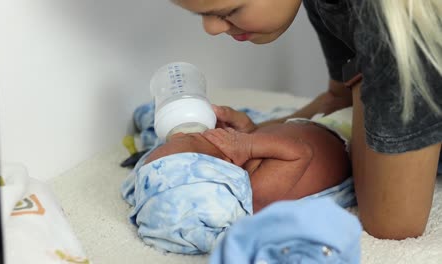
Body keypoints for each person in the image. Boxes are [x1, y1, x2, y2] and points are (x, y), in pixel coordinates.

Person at [170, 0, 442, 239]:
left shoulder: (390, 23)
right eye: (201, 15)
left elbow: (396, 223)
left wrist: (366, 72)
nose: (211, 29)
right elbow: (338, 97)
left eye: (230, 11)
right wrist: (258, 133)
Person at [145, 107, 353, 213]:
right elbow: (301, 152)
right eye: (192, 137)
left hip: (321, 122)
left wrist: (250, 131)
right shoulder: (257, 190)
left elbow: (269, 145)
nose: (183, 133)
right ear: (218, 166)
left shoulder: (243, 164)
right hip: (351, 138)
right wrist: (247, 144)